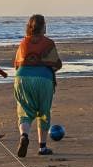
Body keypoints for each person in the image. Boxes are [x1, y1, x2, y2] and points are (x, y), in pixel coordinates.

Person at [12, 14, 62, 157]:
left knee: (24, 111)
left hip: (22, 78)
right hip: (43, 79)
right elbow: (57, 64)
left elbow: (16, 65)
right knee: (43, 112)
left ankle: (24, 136)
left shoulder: (23, 43)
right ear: (43, 27)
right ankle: (42, 147)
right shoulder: (48, 43)